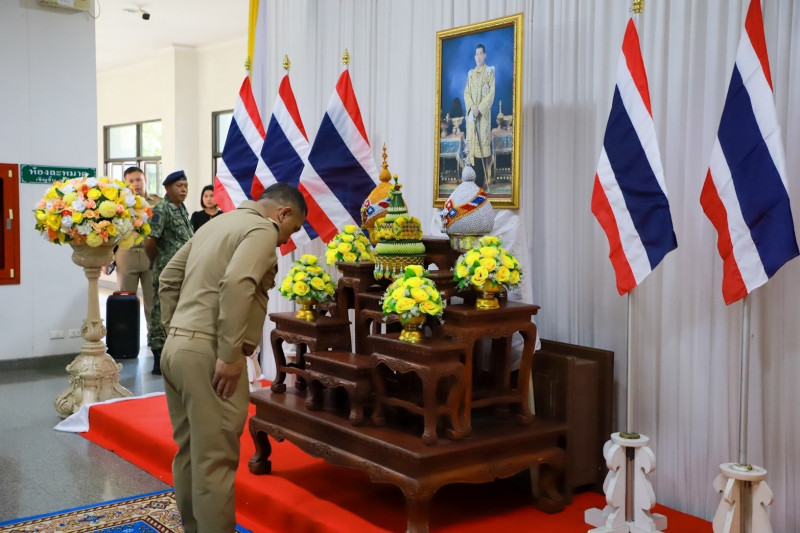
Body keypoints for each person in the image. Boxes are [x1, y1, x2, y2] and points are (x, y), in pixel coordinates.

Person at [158, 183, 307, 533]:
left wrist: (178, 331)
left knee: (190, 452)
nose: (286, 240)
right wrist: (228, 354)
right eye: (293, 229)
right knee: (215, 461)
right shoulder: (262, 229)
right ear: (283, 213)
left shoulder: (216, 224)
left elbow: (168, 279)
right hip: (210, 355)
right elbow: (238, 283)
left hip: (177, 349)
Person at [145, 170, 193, 375]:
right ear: (167, 188)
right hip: (166, 269)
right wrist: (157, 261)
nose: (184, 190)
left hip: (184, 270)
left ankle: (176, 351)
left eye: (186, 186)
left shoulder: (181, 209)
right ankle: (158, 354)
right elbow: (150, 241)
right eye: (179, 186)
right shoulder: (161, 209)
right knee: (160, 310)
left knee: (178, 309)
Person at [109, 167, 161, 336]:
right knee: (125, 299)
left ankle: (155, 337)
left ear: (145, 180)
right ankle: (126, 338)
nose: (136, 184)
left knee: (153, 300)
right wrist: (107, 258)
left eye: (138, 179)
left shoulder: (157, 202)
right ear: (125, 184)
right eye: (131, 181)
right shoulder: (119, 204)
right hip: (126, 254)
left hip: (151, 255)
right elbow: (110, 231)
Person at [463, 43, 495, 189]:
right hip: (472, 116)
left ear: (484, 55)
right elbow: (466, 93)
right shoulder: (470, 73)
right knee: (472, 153)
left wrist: (480, 108)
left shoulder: (489, 72)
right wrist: (472, 107)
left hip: (483, 117)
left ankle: (481, 186)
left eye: (480, 53)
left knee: (481, 151)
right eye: (476, 54)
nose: (478, 57)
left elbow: (491, 93)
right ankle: (473, 187)